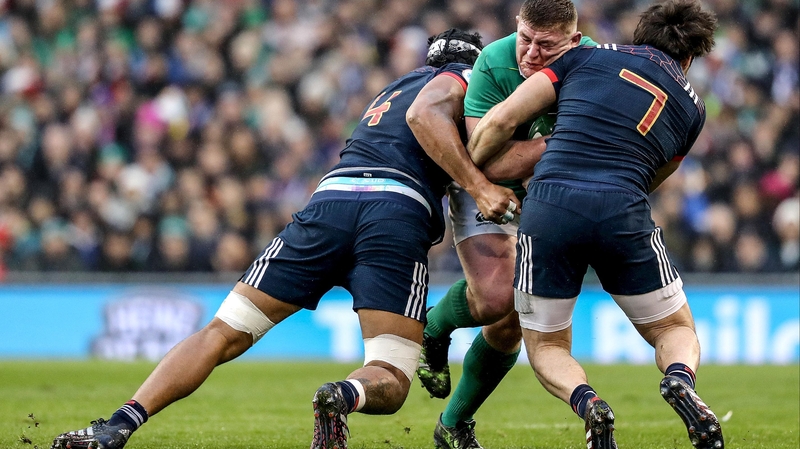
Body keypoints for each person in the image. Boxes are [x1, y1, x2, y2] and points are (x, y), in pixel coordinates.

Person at [50, 28, 518, 449]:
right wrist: (482, 184)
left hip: (329, 202)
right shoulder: (464, 79)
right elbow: (438, 122)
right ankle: (343, 395)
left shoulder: (391, 88)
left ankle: (121, 422)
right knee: (391, 376)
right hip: (396, 212)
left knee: (221, 333)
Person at [467, 1, 721, 448]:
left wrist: (477, 166)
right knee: (673, 329)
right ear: (689, 59)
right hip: (622, 205)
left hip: (549, 204)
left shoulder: (583, 56)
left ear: (639, 36)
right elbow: (655, 176)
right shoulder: (693, 109)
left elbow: (503, 119)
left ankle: (589, 404)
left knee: (546, 346)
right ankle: (680, 378)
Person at [415, 1, 596, 447]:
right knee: (497, 297)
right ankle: (434, 329)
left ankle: (453, 424)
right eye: (525, 38)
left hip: (547, 196)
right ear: (517, 24)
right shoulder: (493, 60)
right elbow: (486, 158)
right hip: (480, 183)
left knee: (517, 317)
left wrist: (543, 157)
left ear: (573, 41)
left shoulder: (593, 61)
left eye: (546, 46)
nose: (530, 53)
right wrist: (560, 144)